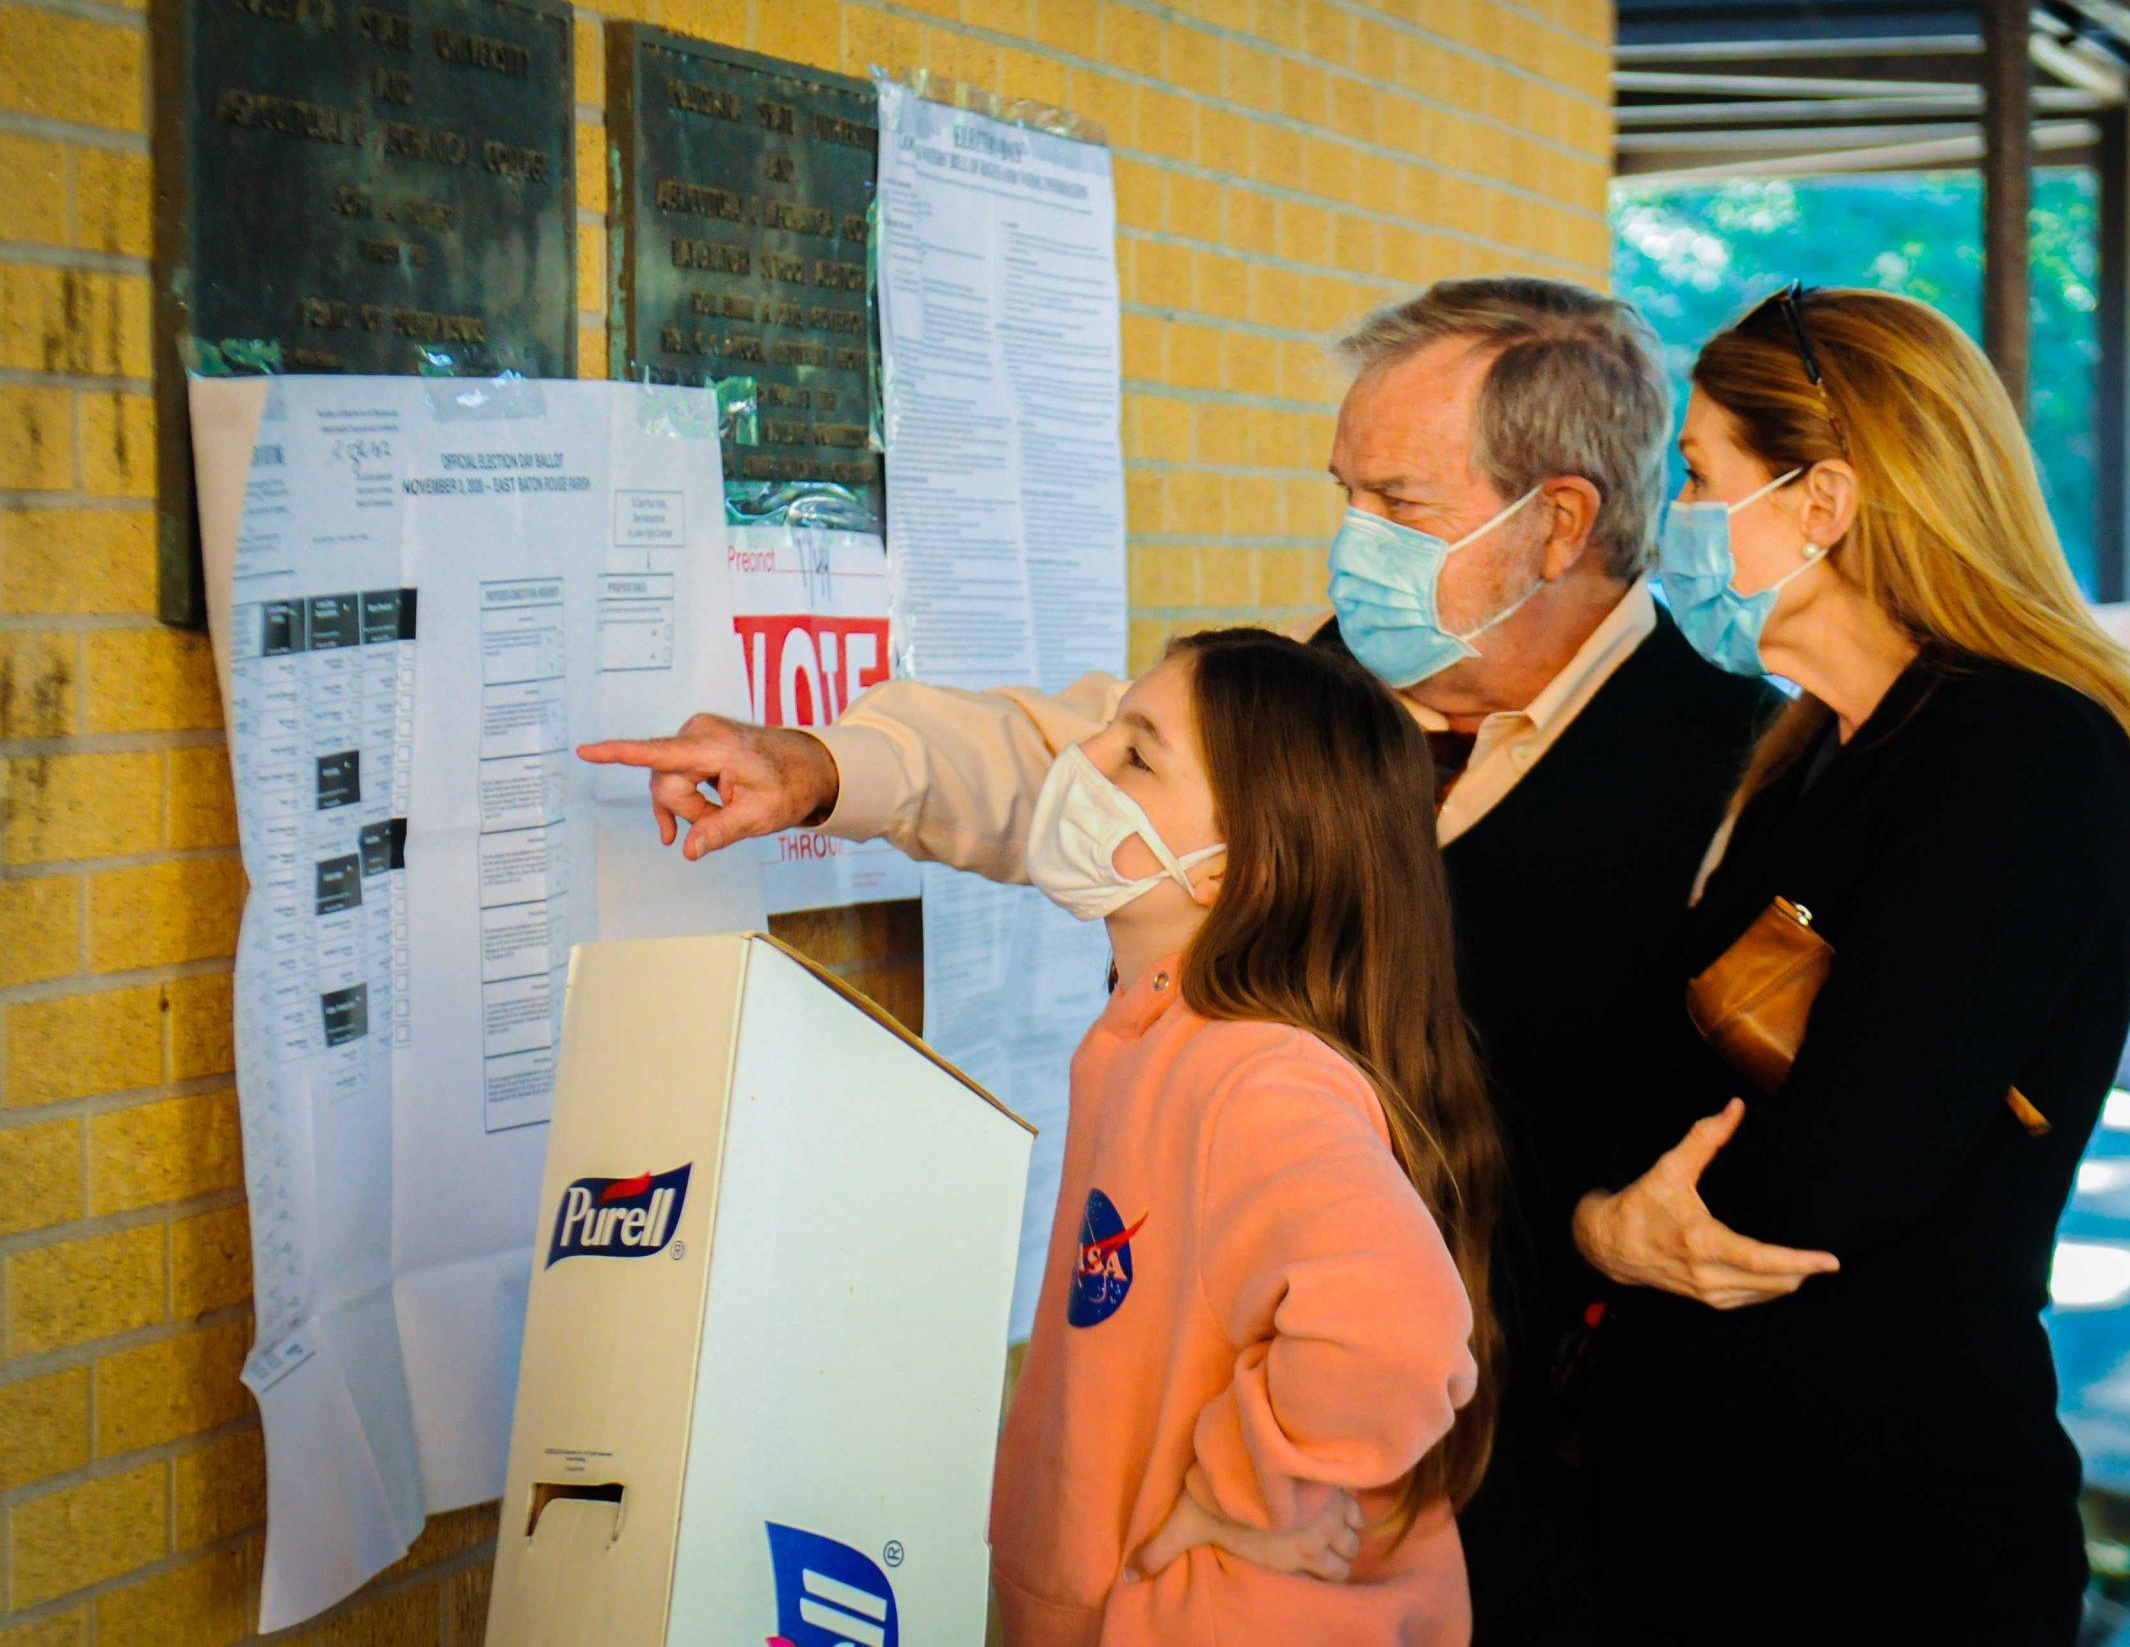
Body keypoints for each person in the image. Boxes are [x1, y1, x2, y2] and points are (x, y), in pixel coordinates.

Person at [579, 277, 1838, 1642]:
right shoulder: (1323, 686)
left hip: (1541, 1483)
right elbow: (1072, 761)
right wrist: (823, 765)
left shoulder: (1739, 776)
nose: (1355, 543)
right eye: (1343, 492)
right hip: (1222, 1517)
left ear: (1559, 523)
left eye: (1400, 506)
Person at [1570, 285, 2130, 1643]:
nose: (1671, 517)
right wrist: (1604, 1214)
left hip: (1884, 1536)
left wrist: (1610, 1216)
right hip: (1716, 1495)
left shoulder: (2023, 756)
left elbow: (1837, 1175)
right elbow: (1632, 1077)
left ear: (1823, 502)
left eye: (1697, 473)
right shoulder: (1821, 746)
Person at [984, 627, 1496, 1644]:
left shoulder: (1256, 1074)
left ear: (1230, 866)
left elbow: (1397, 1332)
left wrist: (1234, 1496)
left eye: (1136, 752)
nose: (1082, 763)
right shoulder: (1149, 1036)